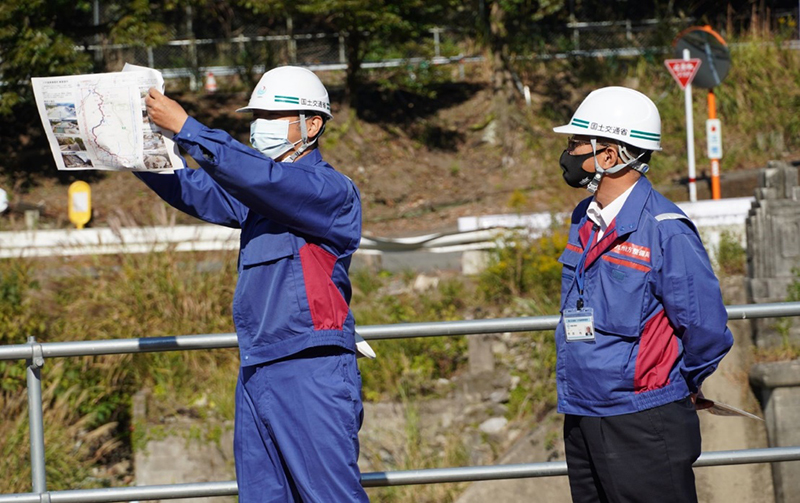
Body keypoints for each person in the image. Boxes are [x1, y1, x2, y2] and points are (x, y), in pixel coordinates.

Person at [137, 66, 370, 502]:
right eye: (255, 115)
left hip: (310, 363)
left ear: (312, 124)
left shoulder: (329, 190)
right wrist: (135, 155)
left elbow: (264, 180)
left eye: (270, 115)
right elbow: (195, 189)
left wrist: (188, 129)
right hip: (259, 365)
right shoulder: (261, 195)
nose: (258, 126)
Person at [552, 86, 734, 503]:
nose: (569, 153)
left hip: (643, 418)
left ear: (611, 155)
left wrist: (670, 384)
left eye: (577, 144)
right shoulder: (585, 217)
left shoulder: (664, 228)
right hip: (583, 410)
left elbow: (706, 329)